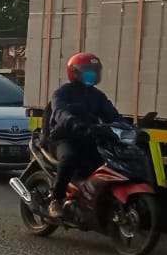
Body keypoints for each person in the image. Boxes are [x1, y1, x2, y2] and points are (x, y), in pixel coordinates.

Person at [47, 51, 122, 218]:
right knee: (70, 158)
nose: (92, 74)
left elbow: (113, 115)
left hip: (89, 137)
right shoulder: (62, 93)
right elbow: (60, 113)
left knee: (110, 161)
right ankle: (56, 199)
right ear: (74, 72)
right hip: (65, 137)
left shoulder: (97, 96)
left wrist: (128, 128)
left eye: (94, 70)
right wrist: (74, 122)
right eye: (87, 70)